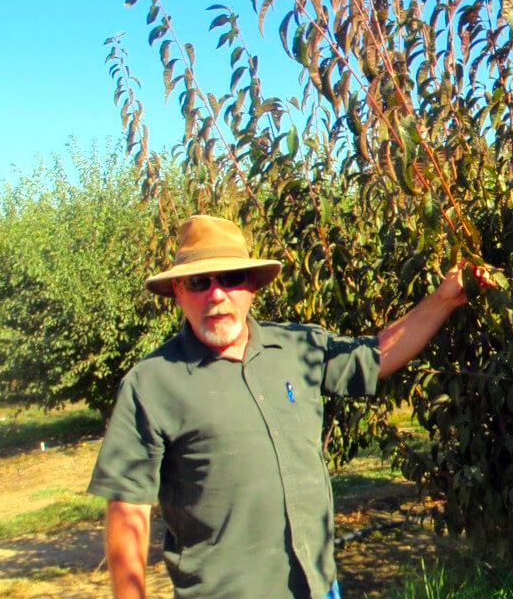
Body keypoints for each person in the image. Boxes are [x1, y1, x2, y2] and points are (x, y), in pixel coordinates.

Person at [88, 214, 489, 599]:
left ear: (251, 285)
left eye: (230, 278)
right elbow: (128, 511)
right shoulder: (152, 383)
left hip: (318, 585)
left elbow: (377, 354)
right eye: (198, 282)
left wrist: (444, 300)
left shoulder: (298, 348)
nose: (216, 294)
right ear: (178, 292)